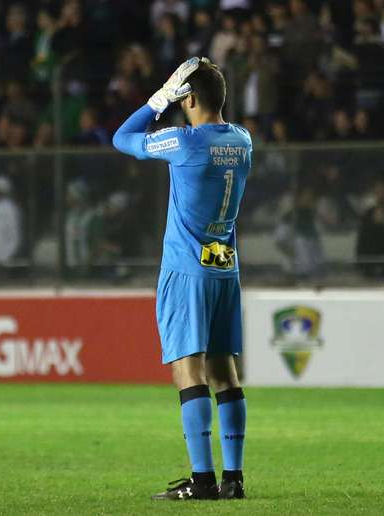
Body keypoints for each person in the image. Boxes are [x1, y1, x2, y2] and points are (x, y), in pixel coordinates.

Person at [112, 57, 251, 501]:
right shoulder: (243, 140)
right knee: (225, 372)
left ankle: (203, 481)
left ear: (188, 98)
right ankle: (233, 480)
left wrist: (157, 100)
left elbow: (123, 139)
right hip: (224, 267)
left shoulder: (185, 142)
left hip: (186, 270)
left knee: (188, 369)